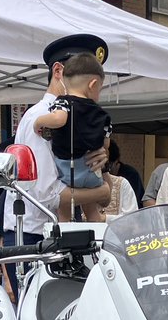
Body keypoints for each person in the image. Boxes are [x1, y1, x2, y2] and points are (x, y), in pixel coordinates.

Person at [1, 34, 111, 295]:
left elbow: (97, 162)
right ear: (58, 71)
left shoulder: (84, 114)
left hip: (63, 233)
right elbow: (47, 195)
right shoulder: (43, 117)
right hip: (35, 237)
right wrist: (102, 191)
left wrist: (102, 159)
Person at [33, 52, 111, 223]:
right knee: (92, 211)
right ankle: (97, 237)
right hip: (91, 168)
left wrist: (38, 123)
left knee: (64, 212)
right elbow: (105, 144)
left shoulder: (63, 102)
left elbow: (59, 119)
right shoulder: (102, 114)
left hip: (68, 169)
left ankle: (63, 235)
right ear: (93, 84)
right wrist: (102, 152)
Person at [108, 140, 144, 207]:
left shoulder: (131, 175)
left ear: (117, 161)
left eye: (109, 166)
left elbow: (135, 201)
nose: (108, 170)